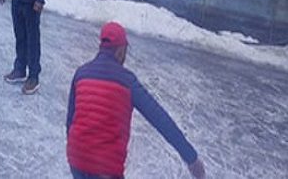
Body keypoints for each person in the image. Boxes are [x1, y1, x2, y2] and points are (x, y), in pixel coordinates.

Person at [66, 22, 207, 179]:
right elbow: (160, 119)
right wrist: (191, 157)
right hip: (105, 168)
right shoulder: (127, 82)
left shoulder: (81, 74)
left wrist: (80, 153)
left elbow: (70, 120)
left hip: (76, 159)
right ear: (120, 51)